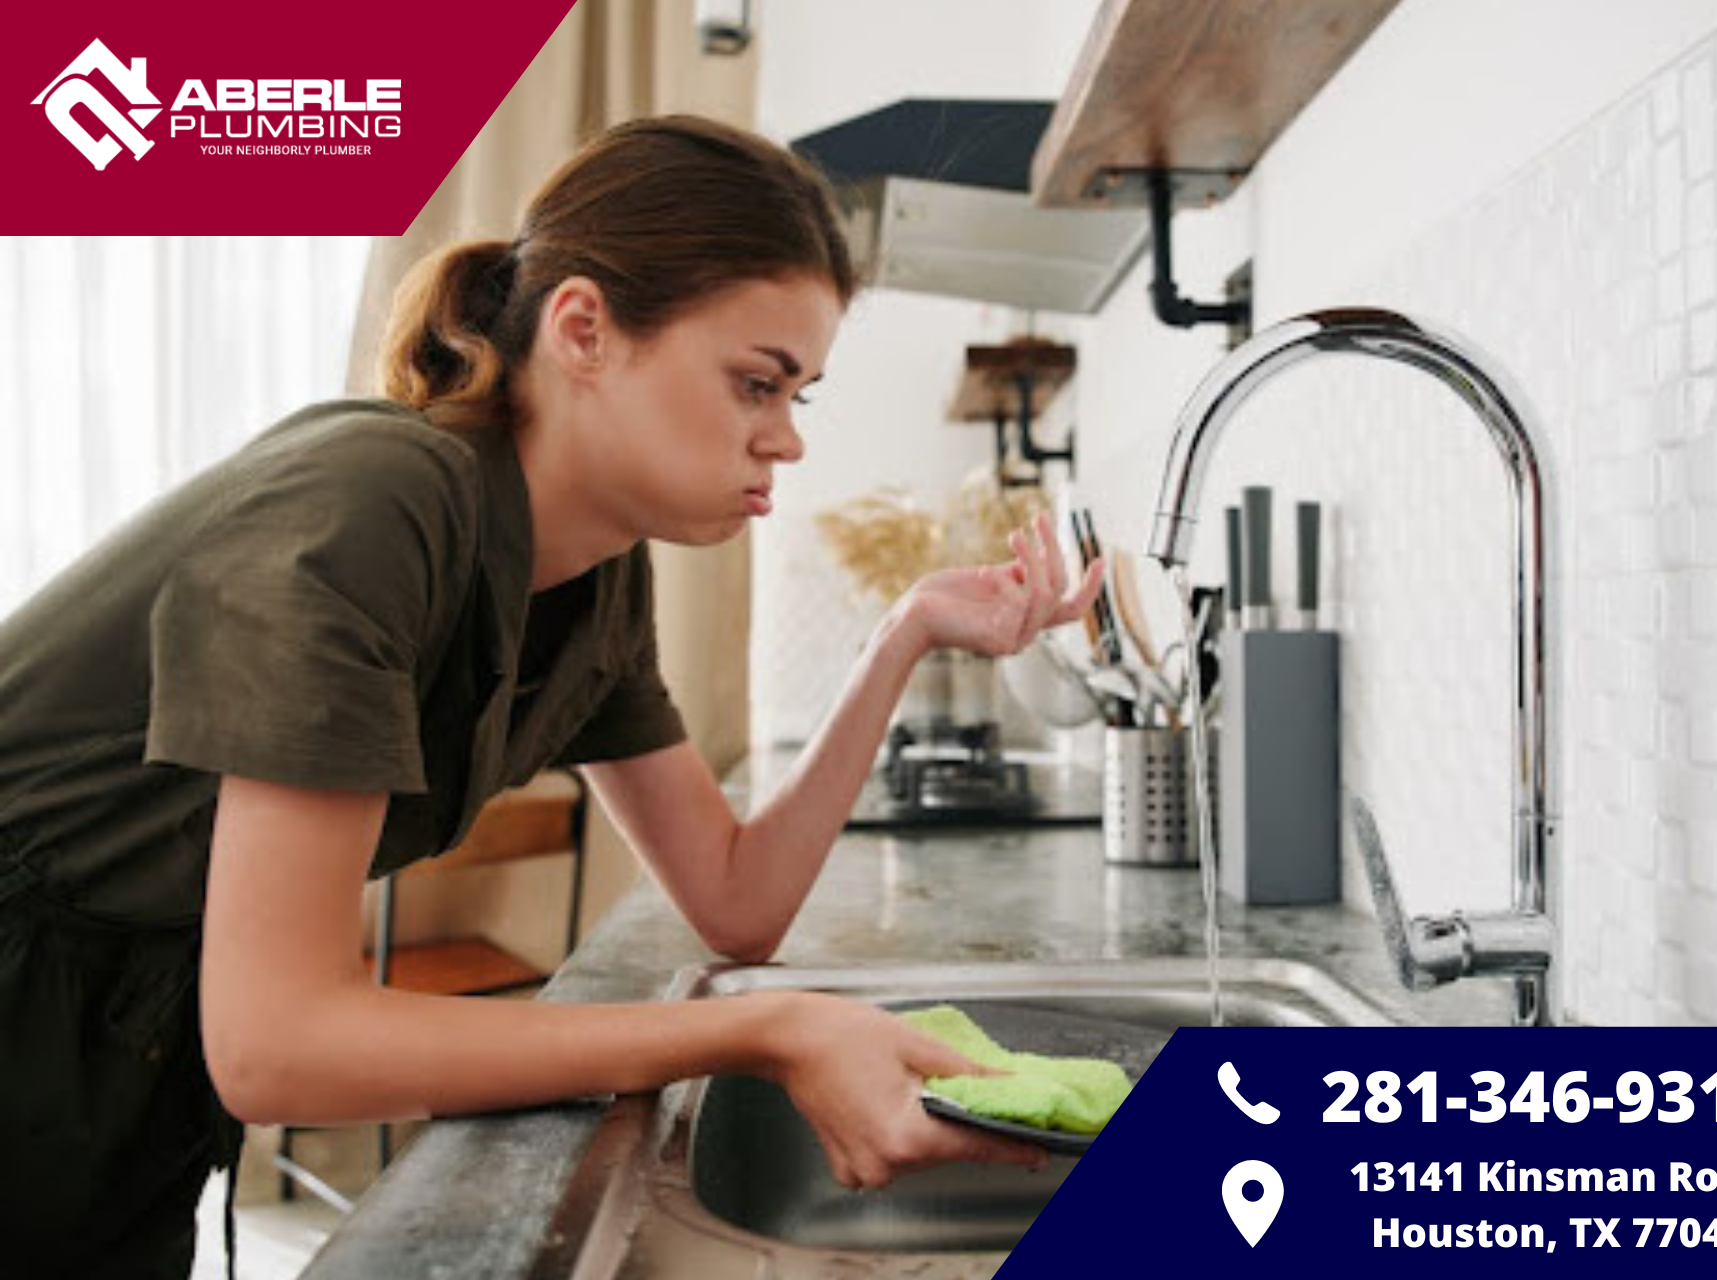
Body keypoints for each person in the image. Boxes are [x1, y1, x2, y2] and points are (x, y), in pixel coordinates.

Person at [0, 115, 1103, 1279]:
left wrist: (906, 631)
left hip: (122, 1058)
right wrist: (759, 1027)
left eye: (799, 398)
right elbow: (278, 1044)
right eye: (755, 383)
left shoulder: (591, 573)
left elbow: (736, 901)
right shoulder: (372, 502)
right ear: (584, 329)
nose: (784, 440)